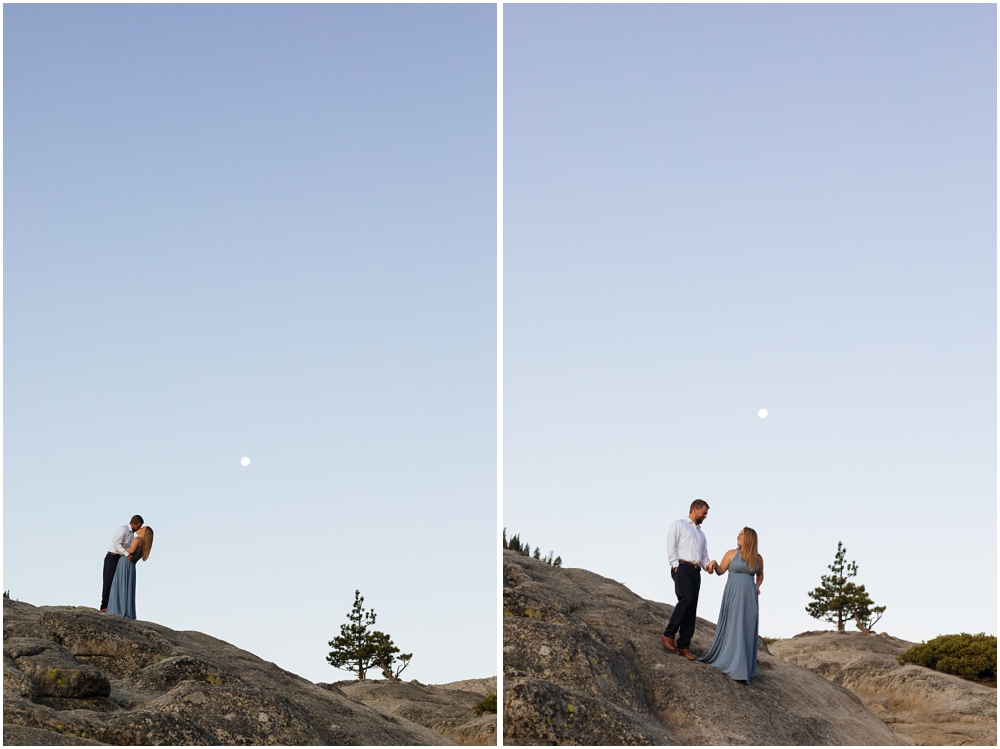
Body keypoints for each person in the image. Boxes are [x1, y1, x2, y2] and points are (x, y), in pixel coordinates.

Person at [699, 527, 764, 683]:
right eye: (739, 534)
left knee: (747, 627)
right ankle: (731, 663)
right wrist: (714, 563)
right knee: (734, 625)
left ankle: (743, 668)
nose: (738, 536)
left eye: (741, 534)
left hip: (749, 597)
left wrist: (757, 585)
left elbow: (760, 574)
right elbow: (721, 571)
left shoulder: (757, 558)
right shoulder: (731, 554)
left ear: (749, 538)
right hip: (733, 594)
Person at [661, 499, 716, 660]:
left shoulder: (701, 534)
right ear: (695, 510)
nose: (705, 516)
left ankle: (684, 645)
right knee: (686, 598)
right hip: (682, 567)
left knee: (692, 607)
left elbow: (704, 556)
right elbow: (671, 544)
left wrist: (708, 566)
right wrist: (675, 564)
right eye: (704, 512)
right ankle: (668, 634)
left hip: (696, 571)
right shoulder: (679, 524)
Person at [107, 526, 154, 620]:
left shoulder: (138, 539)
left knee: (120, 586)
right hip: (131, 566)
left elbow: (131, 550)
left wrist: (121, 547)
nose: (139, 528)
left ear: (145, 532)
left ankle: (118, 610)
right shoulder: (144, 544)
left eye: (142, 528)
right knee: (126, 588)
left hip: (125, 564)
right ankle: (126, 610)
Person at [101, 515, 142, 612]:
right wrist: (127, 554)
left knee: (116, 583)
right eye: (138, 526)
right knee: (108, 581)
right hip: (112, 557)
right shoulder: (123, 530)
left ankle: (112, 606)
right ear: (133, 523)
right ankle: (104, 606)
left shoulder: (132, 535)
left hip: (120, 559)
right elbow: (116, 543)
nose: (139, 528)